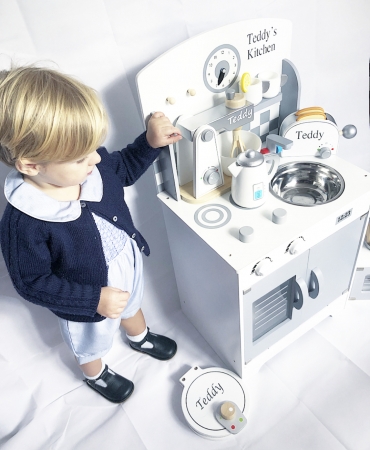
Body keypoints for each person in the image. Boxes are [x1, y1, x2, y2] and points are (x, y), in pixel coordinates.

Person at [0, 66, 182, 403]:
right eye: (80, 156)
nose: (96, 158)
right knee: (90, 343)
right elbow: (32, 281)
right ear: (30, 166)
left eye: (94, 147)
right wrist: (92, 301)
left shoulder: (93, 169)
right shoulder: (24, 222)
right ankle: (95, 374)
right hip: (84, 301)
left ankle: (139, 337)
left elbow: (123, 167)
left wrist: (150, 143)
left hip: (125, 267)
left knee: (133, 304)